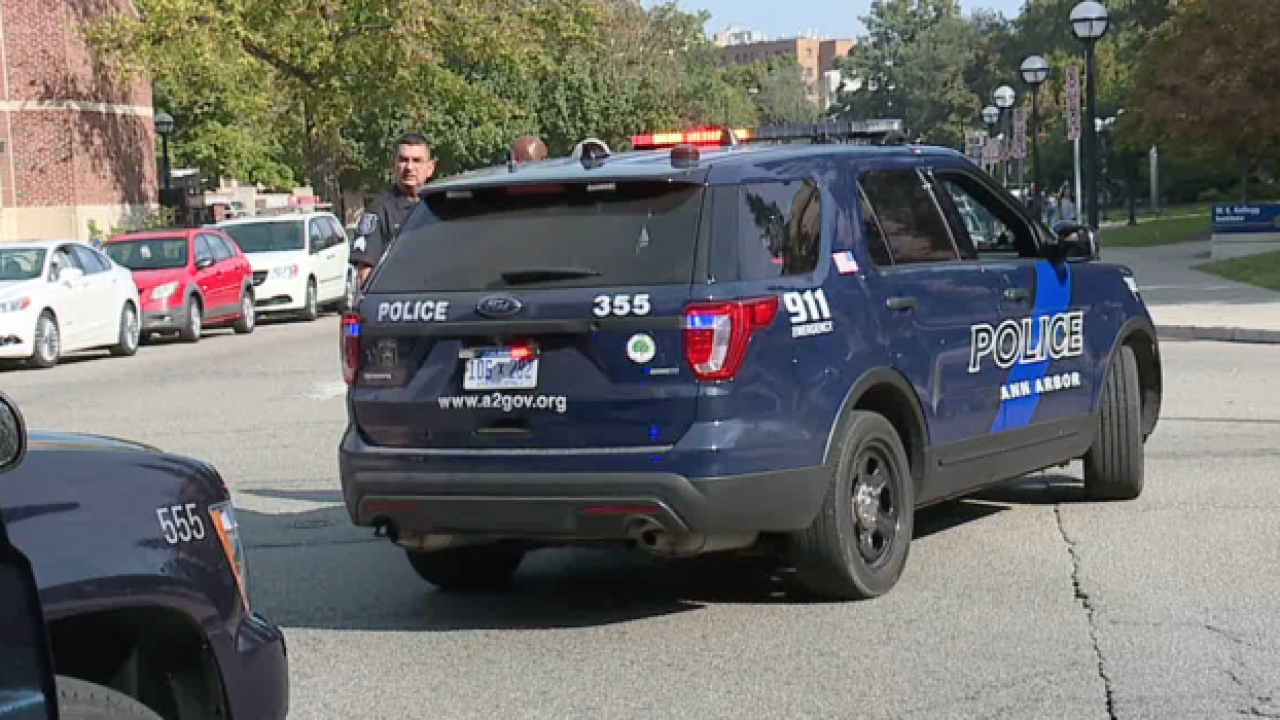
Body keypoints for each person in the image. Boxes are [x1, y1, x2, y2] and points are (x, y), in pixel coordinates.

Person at [351, 133, 436, 286]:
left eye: (417, 161)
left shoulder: (440, 207)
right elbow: (365, 275)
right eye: (403, 160)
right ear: (393, 165)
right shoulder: (379, 211)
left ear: (430, 168)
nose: (410, 167)